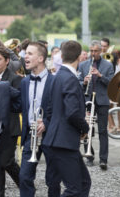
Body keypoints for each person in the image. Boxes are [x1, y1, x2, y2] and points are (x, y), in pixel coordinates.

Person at [43, 40, 91, 196]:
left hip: (57, 139)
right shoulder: (69, 78)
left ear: (61, 55)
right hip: (64, 141)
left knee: (84, 182)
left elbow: (49, 110)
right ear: (80, 57)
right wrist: (85, 127)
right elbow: (72, 112)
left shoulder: (57, 76)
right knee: (74, 188)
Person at [19, 42, 60, 197]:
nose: (25, 56)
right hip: (31, 135)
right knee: (24, 177)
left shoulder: (55, 80)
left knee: (53, 180)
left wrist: (47, 123)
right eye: (25, 53)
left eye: (30, 53)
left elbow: (60, 109)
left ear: (41, 58)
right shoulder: (24, 82)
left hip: (51, 136)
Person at [78, 40, 114, 169]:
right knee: (87, 129)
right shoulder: (82, 65)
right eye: (91, 51)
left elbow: (111, 83)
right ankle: (90, 156)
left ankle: (103, 159)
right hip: (87, 100)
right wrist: (84, 82)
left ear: (101, 51)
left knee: (103, 130)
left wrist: (100, 76)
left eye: (96, 51)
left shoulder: (108, 65)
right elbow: (78, 81)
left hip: (102, 100)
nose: (93, 53)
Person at [0, 46, 22, 197]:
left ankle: (24, 184)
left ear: (7, 61)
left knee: (6, 162)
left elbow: (19, 105)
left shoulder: (14, 78)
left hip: (9, 129)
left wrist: (3, 90)